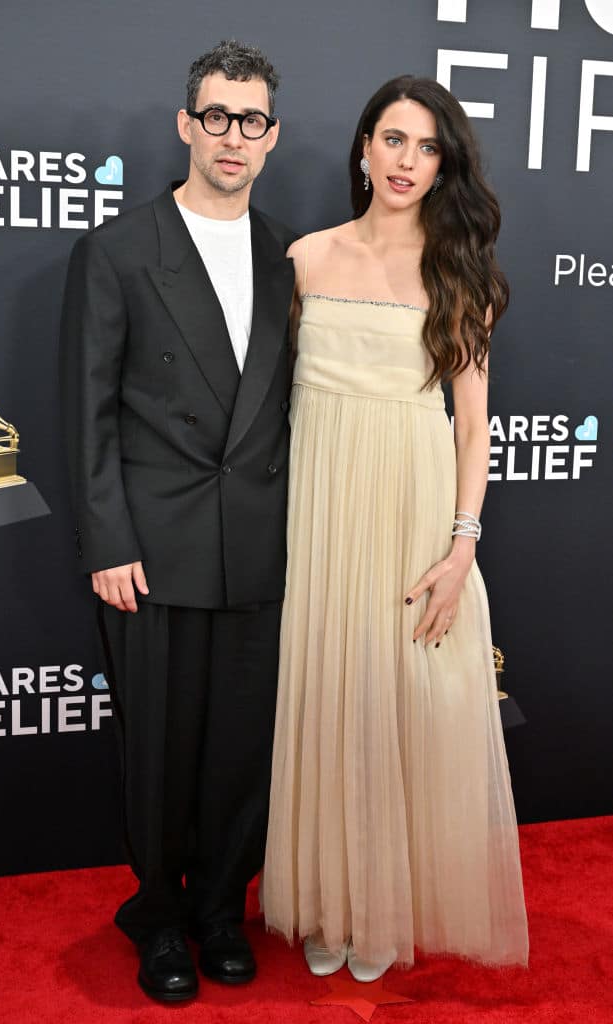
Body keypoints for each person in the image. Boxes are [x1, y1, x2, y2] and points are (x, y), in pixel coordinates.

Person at [262, 76, 529, 982]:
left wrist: (462, 549)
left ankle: (382, 908)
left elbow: (473, 424)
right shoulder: (302, 259)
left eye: (426, 147)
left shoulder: (460, 273)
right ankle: (328, 900)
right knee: (329, 701)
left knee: (395, 708)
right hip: (321, 510)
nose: (406, 161)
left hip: (413, 512)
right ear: (363, 149)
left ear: (442, 163)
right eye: (392, 140)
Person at [59, 40, 295, 1004]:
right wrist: (106, 539)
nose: (232, 136)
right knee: (157, 753)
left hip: (261, 550)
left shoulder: (294, 259)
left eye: (251, 120)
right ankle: (158, 917)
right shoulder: (116, 250)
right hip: (152, 552)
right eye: (216, 116)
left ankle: (217, 913)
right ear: (184, 125)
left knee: (243, 750)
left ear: (272, 137)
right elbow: (87, 409)